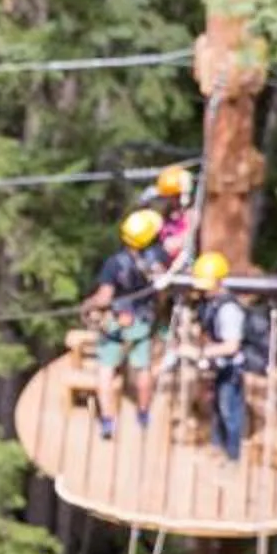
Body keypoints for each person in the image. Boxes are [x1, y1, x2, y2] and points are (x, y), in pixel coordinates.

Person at [79, 209, 167, 438]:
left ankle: (108, 421)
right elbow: (161, 292)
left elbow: (105, 297)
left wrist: (88, 305)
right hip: (143, 321)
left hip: (116, 323)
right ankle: (144, 412)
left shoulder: (115, 263)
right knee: (142, 367)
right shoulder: (158, 258)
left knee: (106, 370)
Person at [193, 251, 249, 461]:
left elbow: (231, 346)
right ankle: (217, 448)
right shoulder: (212, 305)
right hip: (218, 366)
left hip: (230, 368)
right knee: (217, 409)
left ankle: (233, 456)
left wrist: (201, 352)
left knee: (229, 412)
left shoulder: (229, 310)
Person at [144, 165, 197, 267]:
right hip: (162, 262)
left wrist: (175, 242)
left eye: (172, 196)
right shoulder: (164, 214)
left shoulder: (191, 215)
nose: (168, 200)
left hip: (183, 263)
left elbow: (186, 240)